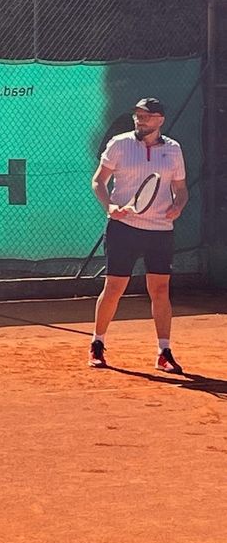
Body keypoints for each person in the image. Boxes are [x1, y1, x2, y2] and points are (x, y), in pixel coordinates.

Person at [89, 97, 188, 373]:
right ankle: (97, 343)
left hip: (160, 231)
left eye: (145, 116)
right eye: (137, 115)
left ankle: (164, 352)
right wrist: (109, 205)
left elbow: (181, 190)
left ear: (160, 120)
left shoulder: (174, 150)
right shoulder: (119, 144)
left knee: (160, 290)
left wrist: (178, 207)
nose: (139, 120)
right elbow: (98, 180)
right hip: (124, 228)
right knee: (114, 288)